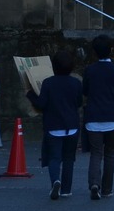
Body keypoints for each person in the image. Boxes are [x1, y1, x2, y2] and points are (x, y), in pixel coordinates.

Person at [82, 35, 114, 199]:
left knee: (96, 153)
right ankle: (107, 189)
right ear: (111, 50)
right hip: (113, 117)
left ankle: (94, 183)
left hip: (93, 117)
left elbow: (85, 91)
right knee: (110, 154)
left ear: (95, 52)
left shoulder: (89, 70)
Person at [26, 49, 82, 200]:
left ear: (53, 66)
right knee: (69, 158)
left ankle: (55, 181)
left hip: (53, 126)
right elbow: (79, 103)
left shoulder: (48, 83)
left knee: (54, 158)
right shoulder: (76, 83)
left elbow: (42, 104)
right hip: (72, 126)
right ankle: (66, 189)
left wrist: (30, 94)